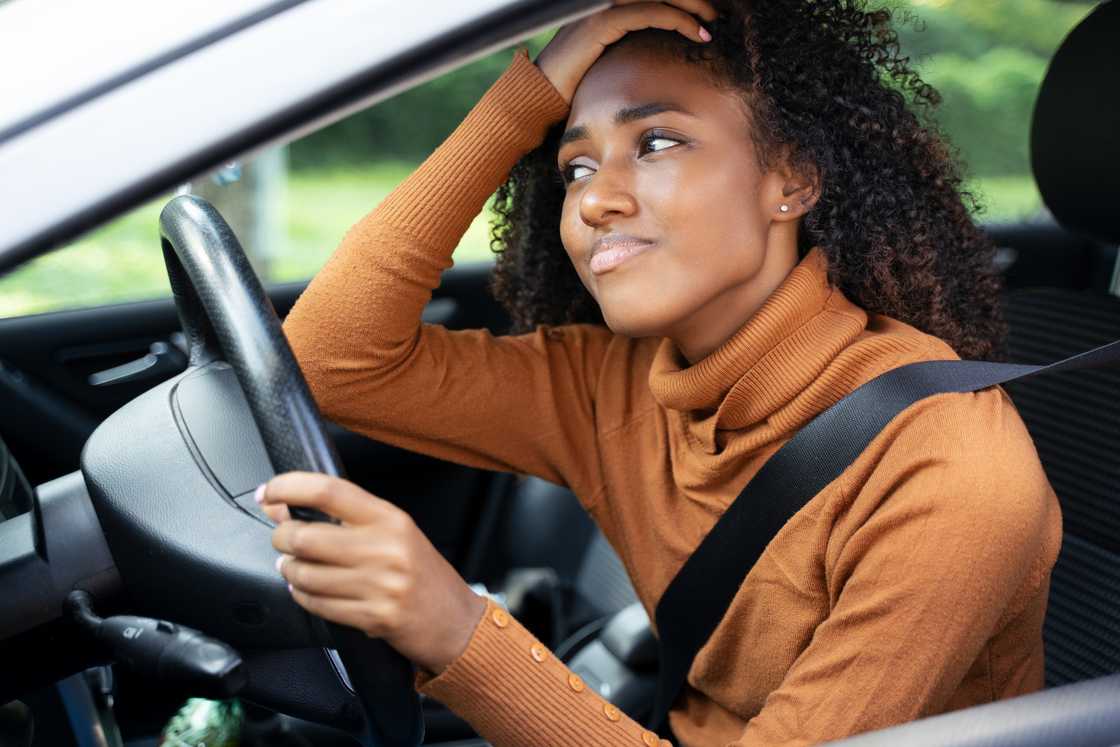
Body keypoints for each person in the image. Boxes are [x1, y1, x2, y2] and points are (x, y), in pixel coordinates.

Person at [257, 1, 1062, 744]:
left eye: (658, 142)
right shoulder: (613, 383)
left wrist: (456, 629)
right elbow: (331, 359)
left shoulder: (947, 467)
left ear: (792, 180)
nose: (594, 201)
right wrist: (526, 96)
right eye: (574, 167)